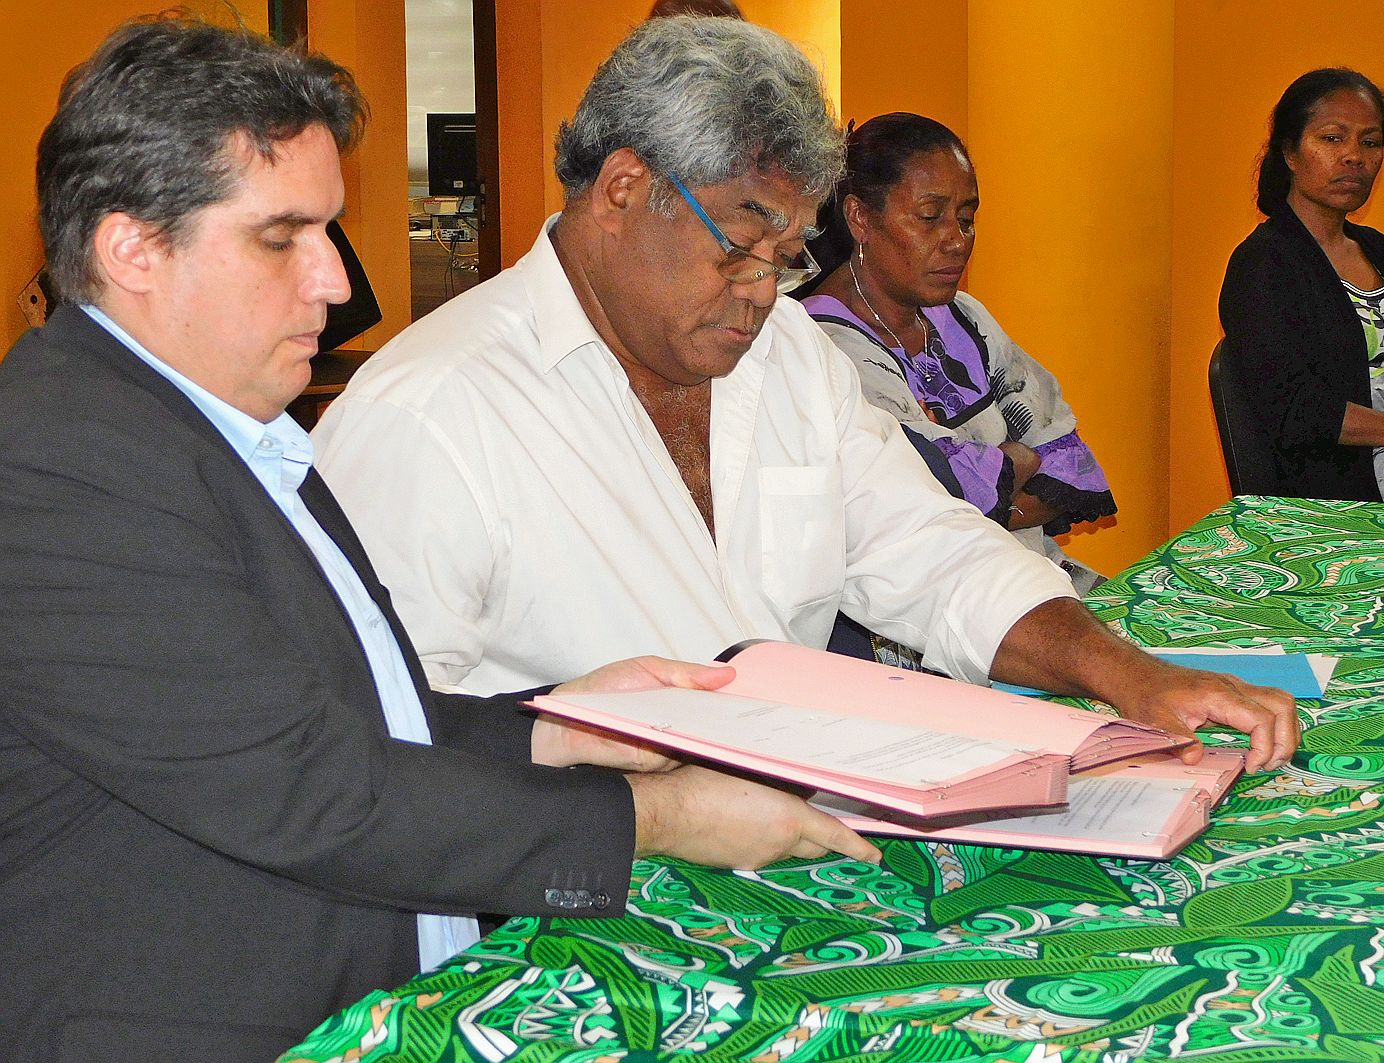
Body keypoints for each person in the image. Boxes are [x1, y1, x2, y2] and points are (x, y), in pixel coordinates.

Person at [0, 17, 877, 1061]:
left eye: (330, 233)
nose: (333, 281)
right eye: (283, 237)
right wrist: (659, 817)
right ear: (132, 248)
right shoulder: (57, 469)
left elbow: (338, 718)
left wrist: (558, 727)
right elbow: (311, 788)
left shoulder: (210, 427)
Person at [315, 18, 1297, 782]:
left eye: (785, 261)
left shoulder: (785, 353)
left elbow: (927, 549)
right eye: (735, 250)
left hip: (793, 843)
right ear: (621, 191)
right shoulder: (431, 413)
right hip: (569, 899)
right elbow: (384, 750)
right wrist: (653, 807)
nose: (759, 294)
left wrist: (1127, 675)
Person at [798, 113, 1116, 595]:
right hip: (929, 617)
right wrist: (1016, 465)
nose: (957, 239)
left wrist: (999, 475)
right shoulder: (825, 347)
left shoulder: (962, 317)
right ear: (860, 217)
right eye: (930, 217)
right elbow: (923, 510)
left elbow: (1066, 457)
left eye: (966, 219)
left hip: (1032, 577)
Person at [1220, 68, 1384, 501]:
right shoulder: (1262, 264)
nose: (1354, 156)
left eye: (1370, 142)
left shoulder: (1376, 247)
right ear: (1290, 152)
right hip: (1344, 500)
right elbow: (1297, 412)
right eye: (1332, 139)